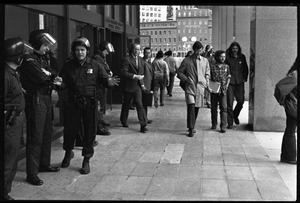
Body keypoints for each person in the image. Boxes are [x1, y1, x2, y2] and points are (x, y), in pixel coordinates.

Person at [58, 36, 119, 174]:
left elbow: (104, 80)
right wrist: (60, 84)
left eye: (82, 50)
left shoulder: (95, 65)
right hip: (72, 103)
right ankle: (68, 153)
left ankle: (86, 160)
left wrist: (109, 82)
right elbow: (63, 83)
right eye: (77, 50)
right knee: (69, 130)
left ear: (87, 51)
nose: (80, 52)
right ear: (73, 51)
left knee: (89, 132)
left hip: (90, 104)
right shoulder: (68, 66)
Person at [18, 30, 61, 186]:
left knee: (46, 133)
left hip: (46, 97)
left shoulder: (44, 58)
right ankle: (32, 173)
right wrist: (50, 76)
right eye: (44, 45)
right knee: (35, 136)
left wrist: (50, 75)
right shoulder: (28, 59)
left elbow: (54, 72)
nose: (47, 48)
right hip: (36, 99)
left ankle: (44, 163)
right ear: (37, 44)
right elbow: (42, 77)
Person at [3, 37, 32, 200]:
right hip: (9, 124)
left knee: (11, 156)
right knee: (9, 158)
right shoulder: (6, 75)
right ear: (18, 58)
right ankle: (4, 192)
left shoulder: (12, 72)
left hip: (15, 121)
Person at [177, 41, 210, 137]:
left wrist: (206, 80)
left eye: (200, 51)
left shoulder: (205, 61)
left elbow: (207, 72)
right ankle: (191, 128)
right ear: (193, 50)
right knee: (191, 106)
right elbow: (179, 73)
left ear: (202, 50)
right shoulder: (186, 60)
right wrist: (186, 79)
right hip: (190, 87)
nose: (198, 53)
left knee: (196, 108)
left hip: (200, 87)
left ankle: (192, 125)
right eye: (196, 51)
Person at [119, 43, 148, 133]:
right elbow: (123, 72)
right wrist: (135, 76)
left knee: (140, 105)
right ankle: (123, 120)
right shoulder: (126, 59)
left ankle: (143, 125)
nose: (137, 51)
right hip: (128, 86)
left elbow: (141, 74)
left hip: (137, 87)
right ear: (132, 49)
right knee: (126, 104)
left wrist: (142, 85)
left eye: (139, 49)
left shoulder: (141, 60)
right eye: (136, 49)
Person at [92, 41, 115, 136]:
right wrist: (108, 73)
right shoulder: (97, 58)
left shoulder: (101, 58)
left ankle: (100, 122)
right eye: (106, 51)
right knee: (99, 107)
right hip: (98, 86)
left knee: (101, 106)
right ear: (102, 50)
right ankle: (98, 126)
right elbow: (103, 70)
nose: (107, 53)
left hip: (102, 86)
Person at [225, 42, 249, 129]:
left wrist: (245, 78)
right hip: (230, 82)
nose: (235, 50)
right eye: (233, 48)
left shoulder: (242, 57)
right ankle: (230, 123)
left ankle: (235, 115)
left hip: (239, 82)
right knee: (230, 103)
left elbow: (245, 68)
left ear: (238, 49)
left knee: (241, 101)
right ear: (231, 49)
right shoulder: (227, 57)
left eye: (236, 48)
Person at [280, 56, 298, 165]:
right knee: (291, 129)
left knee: (290, 128)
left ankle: (286, 156)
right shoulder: (295, 75)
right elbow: (280, 88)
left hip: (291, 104)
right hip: (293, 104)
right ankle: (290, 157)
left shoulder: (293, 73)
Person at [209, 50, 231, 133]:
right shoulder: (212, 66)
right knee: (213, 108)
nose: (223, 58)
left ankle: (223, 126)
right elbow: (209, 78)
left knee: (224, 108)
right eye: (221, 56)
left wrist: (227, 86)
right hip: (214, 89)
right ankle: (214, 123)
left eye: (224, 57)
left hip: (223, 90)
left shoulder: (226, 67)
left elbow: (228, 77)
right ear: (217, 57)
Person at [142, 47, 154, 124]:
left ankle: (145, 118)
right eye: (146, 52)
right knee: (143, 104)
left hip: (149, 85)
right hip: (144, 85)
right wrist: (142, 85)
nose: (147, 54)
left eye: (149, 52)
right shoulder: (142, 62)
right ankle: (144, 119)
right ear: (143, 53)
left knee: (145, 103)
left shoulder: (149, 63)